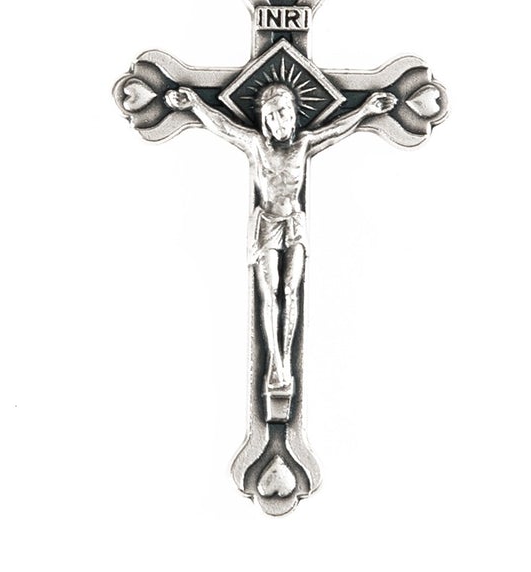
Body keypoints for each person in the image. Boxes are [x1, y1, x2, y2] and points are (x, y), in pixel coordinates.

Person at [165, 80, 394, 393]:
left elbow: (336, 130)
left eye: (283, 112)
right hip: (268, 223)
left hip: (294, 223)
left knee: (291, 289)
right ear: (264, 121)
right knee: (270, 290)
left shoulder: (304, 144)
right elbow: (223, 126)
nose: (278, 121)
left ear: (294, 114)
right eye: (271, 116)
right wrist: (194, 104)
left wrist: (366, 110)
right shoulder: (257, 146)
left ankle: (285, 356)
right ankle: (275, 362)